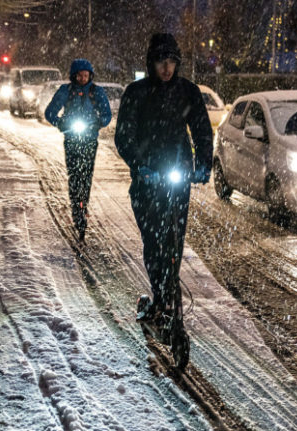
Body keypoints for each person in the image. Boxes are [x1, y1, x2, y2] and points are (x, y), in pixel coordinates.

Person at [114, 33, 213, 323]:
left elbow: (202, 130)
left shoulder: (188, 92)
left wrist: (203, 164)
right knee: (154, 240)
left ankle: (169, 292)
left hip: (178, 174)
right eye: (161, 62)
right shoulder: (137, 92)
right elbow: (124, 135)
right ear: (151, 63)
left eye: (171, 62)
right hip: (147, 179)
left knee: (174, 239)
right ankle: (159, 292)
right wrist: (139, 164)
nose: (167, 68)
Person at [45, 59, 112, 242]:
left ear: (90, 75)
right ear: (74, 75)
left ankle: (84, 204)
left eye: (86, 74)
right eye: (80, 75)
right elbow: (49, 112)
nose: (83, 78)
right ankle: (76, 207)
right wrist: (60, 123)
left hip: (90, 139)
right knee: (74, 174)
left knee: (87, 175)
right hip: (72, 139)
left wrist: (98, 123)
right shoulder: (65, 91)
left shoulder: (96, 92)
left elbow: (107, 114)